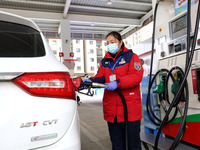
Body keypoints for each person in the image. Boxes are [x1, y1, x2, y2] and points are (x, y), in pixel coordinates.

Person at [83, 31, 144, 150]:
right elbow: (100, 77)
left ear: (120, 43)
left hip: (129, 111)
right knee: (117, 145)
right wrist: (89, 81)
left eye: (112, 42)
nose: (110, 45)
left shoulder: (131, 57)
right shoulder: (105, 61)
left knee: (133, 145)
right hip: (112, 112)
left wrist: (118, 83)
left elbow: (136, 76)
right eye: (107, 43)